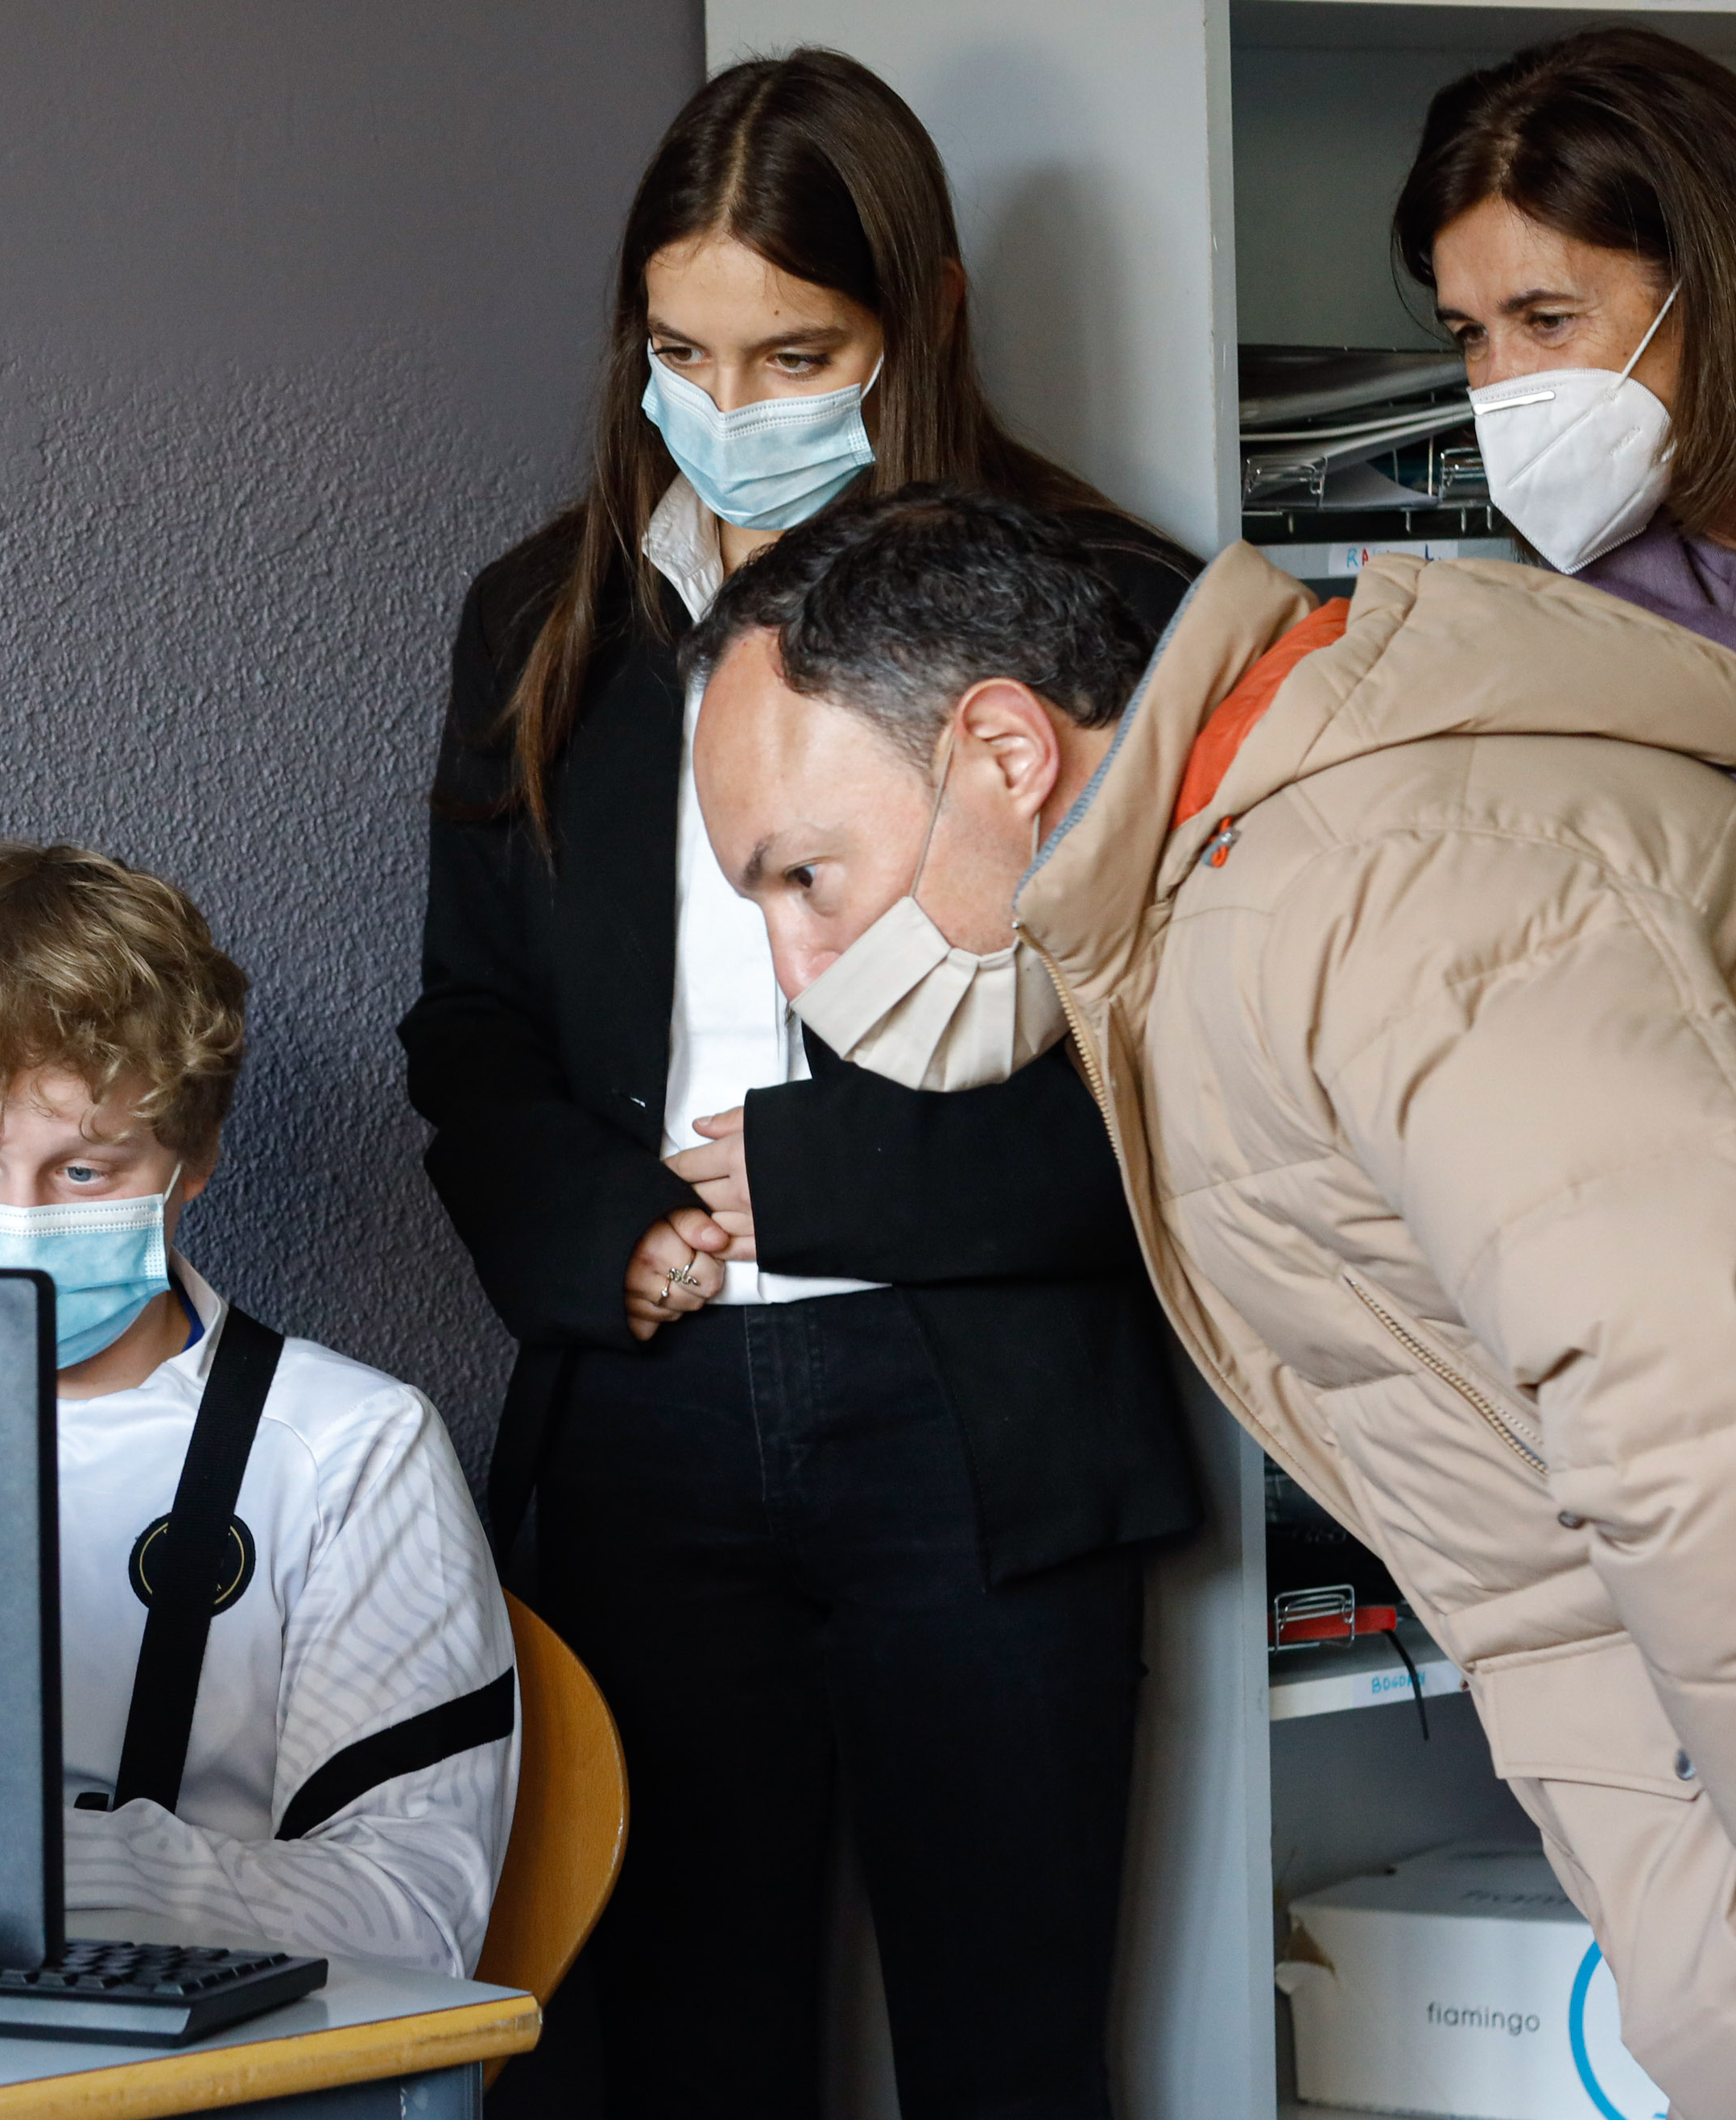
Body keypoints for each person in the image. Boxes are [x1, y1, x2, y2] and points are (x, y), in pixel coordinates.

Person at [690, 486, 1736, 2118]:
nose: (798, 969)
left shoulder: (1379, 889)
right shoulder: (1228, 900)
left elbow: (1712, 1407)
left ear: (1005, 751)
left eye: (806, 876)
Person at [399, 47, 1200, 2118]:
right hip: (643, 1422)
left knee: (1009, 2054)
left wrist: (830, 1181)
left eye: (795, 351)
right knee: (660, 2051)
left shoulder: (1117, 611)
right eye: (682, 350)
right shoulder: (539, 622)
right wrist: (599, 1235)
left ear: (918, 320)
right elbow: (466, 1029)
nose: (732, 406)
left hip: (984, 1425)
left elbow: (1189, 1057)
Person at [0, 841, 515, 1978]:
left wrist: (29, 1868)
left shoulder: (349, 1450)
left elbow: (416, 1913)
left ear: (190, 1162)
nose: (16, 1221)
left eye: (84, 1172)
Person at [1399, 23, 1736, 862]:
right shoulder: (1554, 621)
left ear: (1727, 292)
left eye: (1547, 320)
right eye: (1470, 335)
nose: (1500, 385)